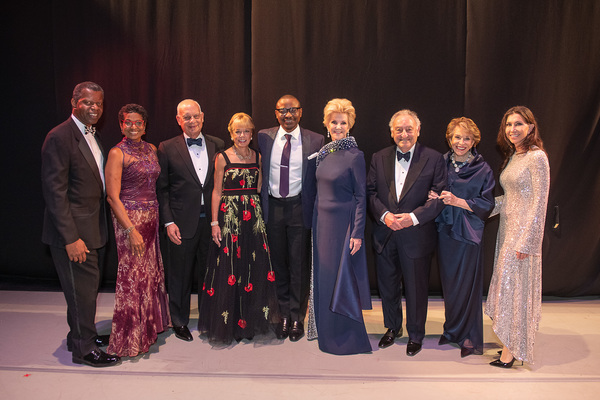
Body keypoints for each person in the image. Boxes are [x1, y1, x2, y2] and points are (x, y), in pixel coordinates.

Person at [41, 81, 120, 367]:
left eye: (99, 103)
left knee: (85, 290)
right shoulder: (60, 136)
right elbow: (55, 192)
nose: (95, 108)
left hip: (92, 229)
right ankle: (84, 350)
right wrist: (70, 238)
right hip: (74, 235)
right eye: (88, 102)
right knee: (82, 293)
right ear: (74, 101)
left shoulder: (93, 136)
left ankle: (81, 333)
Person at [366, 109, 446, 356]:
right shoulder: (378, 157)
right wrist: (385, 215)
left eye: (409, 129)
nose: (404, 134)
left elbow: (440, 196)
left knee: (416, 288)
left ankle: (416, 334)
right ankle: (392, 328)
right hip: (385, 233)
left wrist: (412, 218)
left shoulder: (434, 158)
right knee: (388, 287)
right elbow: (370, 193)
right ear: (391, 133)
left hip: (416, 235)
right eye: (399, 129)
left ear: (418, 131)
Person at [198, 113, 281, 346]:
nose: (242, 135)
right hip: (230, 218)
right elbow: (216, 191)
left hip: (252, 219)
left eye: (246, 131)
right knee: (230, 269)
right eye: (237, 131)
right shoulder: (222, 158)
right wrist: (214, 223)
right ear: (230, 133)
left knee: (253, 268)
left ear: (252, 134)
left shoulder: (258, 157)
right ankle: (230, 323)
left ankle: (250, 321)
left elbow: (259, 188)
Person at [485, 106, 550, 368]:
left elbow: (539, 202)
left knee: (515, 291)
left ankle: (511, 352)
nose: (513, 129)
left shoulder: (537, 157)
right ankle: (509, 346)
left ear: (531, 128)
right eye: (509, 124)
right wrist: (472, 206)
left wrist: (528, 241)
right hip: (506, 231)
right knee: (507, 289)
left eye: (519, 124)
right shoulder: (514, 156)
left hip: (522, 235)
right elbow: (509, 200)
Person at [105, 104, 171, 357]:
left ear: (145, 125)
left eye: (138, 122)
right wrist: (130, 230)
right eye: (128, 122)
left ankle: (149, 328)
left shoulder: (152, 149)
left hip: (151, 218)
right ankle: (130, 337)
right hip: (129, 220)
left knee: (149, 274)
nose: (133, 126)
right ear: (121, 125)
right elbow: (112, 197)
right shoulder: (116, 153)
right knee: (132, 278)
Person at [157, 99, 225, 341]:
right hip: (180, 223)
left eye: (195, 116)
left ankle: (208, 318)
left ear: (203, 116)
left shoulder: (218, 144)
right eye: (186, 117)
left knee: (210, 274)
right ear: (178, 120)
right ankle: (179, 321)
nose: (192, 121)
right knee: (179, 276)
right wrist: (168, 222)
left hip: (212, 223)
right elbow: (162, 189)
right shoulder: (166, 147)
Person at [257, 95, 324, 341]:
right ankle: (282, 314)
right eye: (283, 111)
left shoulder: (316, 140)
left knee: (298, 264)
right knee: (278, 264)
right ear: (276, 113)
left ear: (301, 112)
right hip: (272, 207)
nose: (288, 115)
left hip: (299, 207)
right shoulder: (264, 137)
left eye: (293, 110)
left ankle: (297, 316)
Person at [309, 99, 372, 355]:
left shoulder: (355, 156)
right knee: (324, 277)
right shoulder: (324, 153)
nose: (338, 126)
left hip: (342, 226)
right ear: (326, 124)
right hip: (321, 224)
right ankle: (324, 329)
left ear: (350, 125)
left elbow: (360, 196)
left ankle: (344, 336)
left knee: (340, 277)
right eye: (333, 122)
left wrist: (357, 232)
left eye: (342, 123)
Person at [428, 117, 495, 358]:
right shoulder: (440, 163)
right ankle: (453, 330)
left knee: (468, 287)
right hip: (445, 231)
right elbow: (431, 188)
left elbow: (487, 204)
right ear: (449, 138)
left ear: (474, 141)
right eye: (457, 137)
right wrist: (431, 195)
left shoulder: (483, 168)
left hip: (468, 234)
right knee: (450, 285)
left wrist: (459, 201)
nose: (461, 142)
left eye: (467, 138)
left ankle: (469, 336)